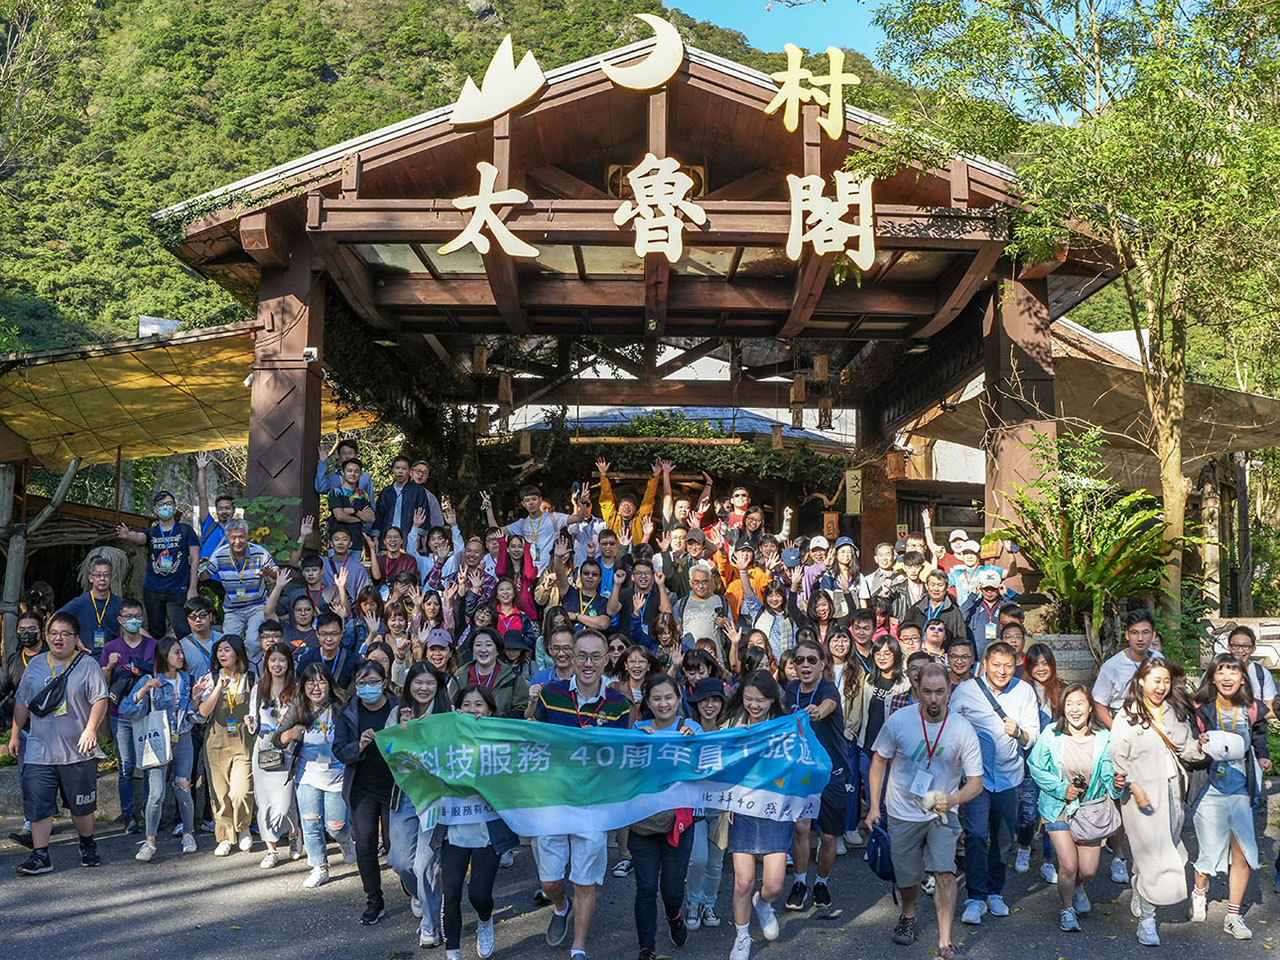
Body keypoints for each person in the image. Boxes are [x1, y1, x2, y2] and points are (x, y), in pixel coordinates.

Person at [866, 662, 984, 960]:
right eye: (927, 692)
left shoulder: (961, 728)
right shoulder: (899, 720)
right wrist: (874, 806)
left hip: (941, 813)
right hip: (902, 810)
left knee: (945, 871)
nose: (933, 699)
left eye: (940, 692)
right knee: (907, 876)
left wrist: (953, 800)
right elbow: (879, 760)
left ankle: (945, 940)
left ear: (949, 690)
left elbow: (976, 782)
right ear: (917, 689)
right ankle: (908, 914)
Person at [532, 629, 631, 960]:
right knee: (550, 882)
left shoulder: (618, 704)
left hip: (593, 804)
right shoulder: (551, 694)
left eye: (595, 657)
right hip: (553, 800)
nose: (588, 664)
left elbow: (625, 755)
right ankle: (560, 906)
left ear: (606, 660)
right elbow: (532, 736)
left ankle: (579, 947)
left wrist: (601, 744)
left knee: (584, 880)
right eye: (582, 656)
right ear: (572, 658)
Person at [1109, 656, 1204, 946]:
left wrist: (1202, 747)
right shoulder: (1127, 715)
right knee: (1151, 855)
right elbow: (1117, 757)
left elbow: (1186, 748)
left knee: (1167, 848)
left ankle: (1140, 890)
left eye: (1166, 681)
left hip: (1173, 790)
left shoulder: (1173, 712)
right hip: (1141, 796)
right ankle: (1147, 921)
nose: (1161, 686)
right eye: (1155, 680)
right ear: (1141, 681)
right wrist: (1134, 786)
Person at [10, 612, 110, 875]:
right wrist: (15, 734)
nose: (59, 638)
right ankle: (40, 855)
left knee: (81, 807)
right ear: (46, 636)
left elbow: (100, 699)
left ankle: (87, 844)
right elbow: (22, 701)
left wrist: (91, 730)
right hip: (39, 750)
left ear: (76, 639)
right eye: (53, 633)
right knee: (38, 806)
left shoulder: (87, 664)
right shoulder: (36, 665)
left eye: (65, 634)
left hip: (77, 751)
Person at [949, 641, 1040, 925]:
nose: (1002, 671)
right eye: (996, 665)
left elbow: (1033, 735)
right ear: (985, 664)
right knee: (976, 834)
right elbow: (950, 728)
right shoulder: (965, 691)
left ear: (1016, 665)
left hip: (1009, 776)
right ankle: (975, 897)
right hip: (976, 777)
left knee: (1003, 837)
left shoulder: (1024, 691)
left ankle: (994, 892)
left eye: (1008, 666)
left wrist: (1019, 733)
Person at [1026, 683, 1124, 932]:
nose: (1074, 709)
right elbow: (1035, 766)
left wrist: (1117, 786)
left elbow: (1109, 776)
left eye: (1080, 703)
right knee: (1069, 864)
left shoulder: (1103, 737)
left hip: (1090, 809)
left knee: (1088, 871)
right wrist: (1062, 789)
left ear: (1090, 707)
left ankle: (1077, 886)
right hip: (1057, 806)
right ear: (1062, 708)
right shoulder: (1051, 733)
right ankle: (1067, 909)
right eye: (1069, 704)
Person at [1188, 653, 1271, 939]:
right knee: (1209, 851)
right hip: (1209, 789)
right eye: (1221, 672)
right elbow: (1188, 742)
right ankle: (1200, 891)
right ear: (1212, 677)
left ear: (1242, 678)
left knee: (1243, 852)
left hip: (1240, 790)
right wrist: (1198, 744)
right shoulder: (1200, 709)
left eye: (1233, 672)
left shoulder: (1251, 708)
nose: (1227, 677)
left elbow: (1259, 735)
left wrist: (1263, 756)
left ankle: (1233, 916)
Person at [437, 684, 520, 960]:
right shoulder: (444, 741)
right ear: (457, 710)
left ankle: (485, 921)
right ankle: (453, 953)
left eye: (479, 705)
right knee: (450, 893)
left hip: (488, 830)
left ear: (490, 710)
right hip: (453, 829)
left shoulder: (502, 743)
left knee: (479, 895)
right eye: (466, 705)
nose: (473, 710)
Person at [630, 674, 698, 960]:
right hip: (642, 825)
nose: (663, 703)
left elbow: (708, 762)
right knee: (646, 888)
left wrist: (695, 744)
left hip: (678, 826)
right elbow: (623, 770)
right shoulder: (637, 730)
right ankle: (647, 948)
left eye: (668, 697)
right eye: (656, 698)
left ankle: (674, 916)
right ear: (647, 701)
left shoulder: (690, 728)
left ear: (678, 699)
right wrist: (636, 745)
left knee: (672, 890)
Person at [272, 662, 356, 888]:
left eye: (321, 682)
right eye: (310, 682)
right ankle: (319, 867)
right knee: (310, 823)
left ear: (330, 684)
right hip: (307, 775)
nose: (316, 687)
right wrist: (290, 733)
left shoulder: (342, 704)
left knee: (336, 826)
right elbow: (277, 739)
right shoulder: (299, 706)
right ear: (303, 685)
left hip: (338, 775)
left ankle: (345, 841)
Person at [725, 670, 789, 960]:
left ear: (772, 700)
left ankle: (763, 904)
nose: (754, 705)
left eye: (760, 700)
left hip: (775, 810)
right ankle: (742, 936)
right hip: (741, 810)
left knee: (773, 885)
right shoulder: (732, 725)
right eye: (749, 698)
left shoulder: (785, 728)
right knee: (743, 881)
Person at [333, 659, 401, 924]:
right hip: (362, 787)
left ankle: (410, 884)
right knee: (365, 845)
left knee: (397, 846)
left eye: (374, 682)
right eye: (362, 683)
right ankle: (374, 899)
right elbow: (340, 749)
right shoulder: (349, 711)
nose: (368, 687)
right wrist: (358, 746)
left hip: (395, 786)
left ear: (384, 683)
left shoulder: (399, 708)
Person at [121, 636, 199, 861]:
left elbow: (194, 716)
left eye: (181, 652)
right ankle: (150, 841)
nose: (181, 656)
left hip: (183, 738)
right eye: (176, 652)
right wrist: (144, 689)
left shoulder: (187, 679)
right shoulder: (150, 679)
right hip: (157, 739)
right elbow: (127, 709)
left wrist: (195, 699)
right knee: (156, 793)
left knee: (184, 787)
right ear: (164, 656)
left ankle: (188, 833)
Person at [390, 662, 452, 947]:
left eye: (430, 683)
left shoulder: (447, 715)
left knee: (425, 863)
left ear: (438, 687)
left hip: (435, 797)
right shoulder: (397, 713)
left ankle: (430, 924)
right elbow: (389, 752)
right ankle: (418, 893)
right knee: (400, 861)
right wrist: (404, 728)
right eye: (418, 682)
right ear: (409, 685)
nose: (423, 688)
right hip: (404, 795)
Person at [783, 638, 847, 911]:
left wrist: (817, 712)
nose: (805, 665)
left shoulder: (828, 688)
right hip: (802, 772)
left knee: (829, 837)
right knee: (801, 829)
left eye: (812, 660)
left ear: (822, 664)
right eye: (800, 660)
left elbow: (829, 704)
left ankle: (821, 882)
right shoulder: (791, 689)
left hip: (833, 771)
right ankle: (800, 882)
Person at [99, 596, 155, 835]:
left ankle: (150, 811)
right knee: (126, 765)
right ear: (120, 620)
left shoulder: (153, 645)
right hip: (120, 714)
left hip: (148, 714)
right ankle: (129, 814)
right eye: (129, 617)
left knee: (150, 763)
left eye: (138, 616)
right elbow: (102, 684)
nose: (134, 620)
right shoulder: (111, 647)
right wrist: (110, 666)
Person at [195, 634, 256, 856]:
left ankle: (243, 827)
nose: (222, 654)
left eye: (227, 650)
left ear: (238, 653)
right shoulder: (210, 678)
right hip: (216, 742)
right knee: (219, 794)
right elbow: (203, 712)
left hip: (243, 742)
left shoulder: (251, 678)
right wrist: (217, 689)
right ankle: (224, 836)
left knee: (241, 791)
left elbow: (257, 708)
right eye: (219, 650)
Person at [117, 490, 201, 640]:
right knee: (156, 632)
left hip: (178, 590)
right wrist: (128, 535)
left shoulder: (185, 530)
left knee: (183, 630)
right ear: (155, 509)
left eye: (169, 504)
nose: (165, 507)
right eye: (161, 505)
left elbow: (195, 560)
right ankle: (159, 655)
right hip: (153, 589)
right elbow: (140, 537)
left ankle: (185, 655)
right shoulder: (152, 532)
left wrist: (193, 588)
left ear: (175, 507)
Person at [248, 642, 300, 867]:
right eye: (273, 660)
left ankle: (294, 833)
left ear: (288, 663)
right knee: (265, 802)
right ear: (266, 663)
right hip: (263, 748)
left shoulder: (297, 689)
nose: (277, 664)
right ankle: (271, 849)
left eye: (281, 660)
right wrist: (250, 723)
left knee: (286, 803)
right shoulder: (258, 689)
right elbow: (254, 722)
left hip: (288, 748)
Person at [684, 677, 729, 930]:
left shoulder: (730, 729)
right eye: (704, 700)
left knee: (715, 862)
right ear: (696, 703)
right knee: (697, 859)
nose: (709, 705)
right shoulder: (687, 729)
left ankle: (708, 904)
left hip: (723, 806)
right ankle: (692, 902)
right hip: (695, 806)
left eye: (715, 700)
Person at [1015, 643, 1062, 883]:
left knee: (1052, 814)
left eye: (1045, 663)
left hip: (1055, 762)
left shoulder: (1062, 691)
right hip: (1028, 760)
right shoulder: (1021, 691)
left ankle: (1048, 861)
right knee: (1028, 812)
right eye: (1036, 664)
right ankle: (1024, 846)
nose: (1041, 668)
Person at [210, 518, 280, 665]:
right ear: (227, 538)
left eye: (241, 537)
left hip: (257, 605)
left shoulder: (260, 553)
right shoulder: (219, 555)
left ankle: (253, 670)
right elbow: (204, 575)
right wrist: (201, 567)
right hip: (232, 608)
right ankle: (234, 672)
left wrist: (269, 573)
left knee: (253, 642)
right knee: (229, 645)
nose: (237, 541)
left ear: (247, 536)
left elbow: (277, 574)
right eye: (233, 537)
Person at [56, 555, 122, 652]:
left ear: (112, 577)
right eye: (98, 575)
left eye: (106, 575)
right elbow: (55, 619)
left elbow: (133, 625)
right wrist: (76, 640)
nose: (102, 579)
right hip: (86, 654)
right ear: (91, 578)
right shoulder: (80, 602)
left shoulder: (119, 603)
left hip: (113, 655)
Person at [1225, 625, 1277, 720]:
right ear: (1229, 647)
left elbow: (1271, 708)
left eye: (1245, 646)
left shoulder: (1262, 674)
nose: (1240, 650)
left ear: (1253, 649)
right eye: (1235, 646)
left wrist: (1249, 719)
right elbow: (1202, 704)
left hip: (1253, 726)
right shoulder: (1215, 671)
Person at [296, 613, 358, 689]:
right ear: (317, 634)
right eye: (324, 634)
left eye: (334, 634)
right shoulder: (307, 660)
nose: (329, 639)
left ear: (341, 634)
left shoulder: (351, 660)